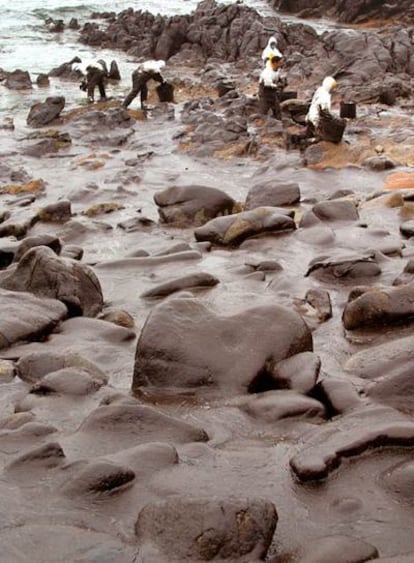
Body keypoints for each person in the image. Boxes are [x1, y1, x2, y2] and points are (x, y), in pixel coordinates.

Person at [258, 54, 286, 119]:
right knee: (263, 110)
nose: (281, 64)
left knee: (277, 109)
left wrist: (282, 82)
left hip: (273, 92)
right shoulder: (267, 72)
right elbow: (268, 84)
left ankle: (278, 122)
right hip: (265, 92)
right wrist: (277, 86)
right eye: (280, 62)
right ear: (275, 63)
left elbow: (279, 78)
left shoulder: (277, 70)